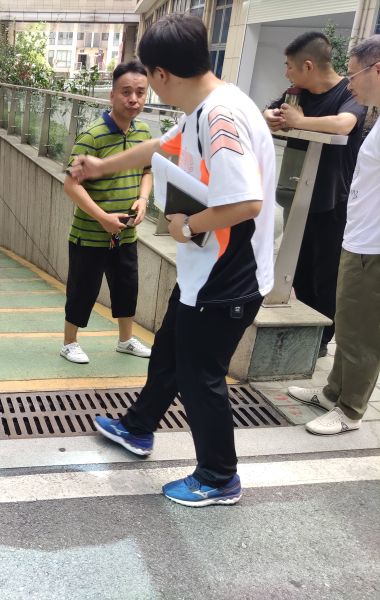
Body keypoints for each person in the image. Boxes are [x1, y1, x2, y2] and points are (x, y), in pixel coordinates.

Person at [70, 13, 275, 507]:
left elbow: (247, 202)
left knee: (200, 375)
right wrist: (101, 165)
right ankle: (138, 426)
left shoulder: (220, 117)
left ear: (162, 74)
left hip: (227, 276)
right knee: (169, 350)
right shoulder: (208, 106)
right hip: (206, 271)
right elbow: (160, 147)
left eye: (149, 78)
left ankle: (219, 476)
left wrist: (188, 226)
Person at [287, 36, 380, 435]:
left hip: (374, 246)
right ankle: (333, 393)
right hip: (358, 238)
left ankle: (350, 411)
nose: (350, 82)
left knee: (362, 333)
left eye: (355, 73)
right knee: (348, 322)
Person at [264, 32, 367, 358]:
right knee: (297, 268)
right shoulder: (298, 93)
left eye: (290, 67)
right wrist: (270, 117)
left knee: (327, 273)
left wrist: (302, 121)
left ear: (308, 66)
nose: (287, 74)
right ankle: (305, 331)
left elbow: (344, 125)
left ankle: (322, 338)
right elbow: (268, 112)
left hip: (333, 200)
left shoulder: (350, 92)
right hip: (296, 194)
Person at [61, 60, 153, 364]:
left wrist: (143, 199)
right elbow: (71, 185)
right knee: (83, 290)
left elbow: (147, 171)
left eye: (140, 92)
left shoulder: (144, 133)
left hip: (126, 233)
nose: (133, 99)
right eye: (126, 92)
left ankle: (125, 340)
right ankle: (69, 343)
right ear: (112, 96)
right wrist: (103, 218)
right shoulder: (92, 136)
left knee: (127, 288)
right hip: (89, 234)